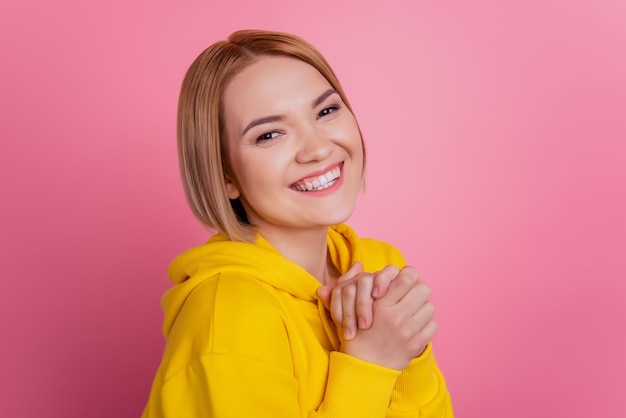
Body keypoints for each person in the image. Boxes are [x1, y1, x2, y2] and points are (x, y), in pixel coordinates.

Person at [142, 29, 453, 417]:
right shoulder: (229, 316)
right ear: (224, 176)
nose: (318, 148)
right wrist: (370, 365)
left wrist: (407, 353)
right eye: (269, 134)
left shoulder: (378, 266)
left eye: (326, 111)